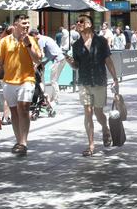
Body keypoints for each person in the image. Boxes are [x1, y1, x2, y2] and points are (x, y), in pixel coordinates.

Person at [65, 14, 119, 156]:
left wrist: (115, 78)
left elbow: (108, 60)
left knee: (98, 112)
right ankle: (91, 145)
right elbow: (76, 66)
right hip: (84, 82)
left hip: (99, 81)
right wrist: (70, 62)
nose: (78, 23)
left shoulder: (101, 41)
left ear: (89, 24)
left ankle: (105, 128)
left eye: (81, 21)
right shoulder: (76, 45)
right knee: (87, 112)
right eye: (77, 22)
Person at [0, 14, 43, 156]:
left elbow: (38, 58)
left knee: (24, 108)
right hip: (9, 81)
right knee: (14, 111)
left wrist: (28, 45)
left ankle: (23, 143)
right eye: (23, 23)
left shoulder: (32, 40)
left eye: (27, 23)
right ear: (15, 25)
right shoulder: (5, 42)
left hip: (27, 80)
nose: (26, 25)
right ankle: (18, 141)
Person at [29, 29, 66, 104]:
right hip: (59, 58)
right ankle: (52, 99)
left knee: (53, 80)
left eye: (31, 37)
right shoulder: (45, 38)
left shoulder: (40, 40)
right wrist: (44, 63)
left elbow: (41, 54)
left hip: (58, 59)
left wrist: (36, 65)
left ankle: (56, 100)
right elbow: (51, 54)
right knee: (54, 80)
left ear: (34, 35)